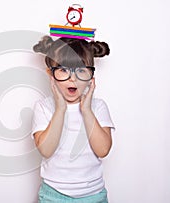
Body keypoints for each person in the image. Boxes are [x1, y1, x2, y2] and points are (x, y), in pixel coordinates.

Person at [32, 36, 115, 202]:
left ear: (91, 76)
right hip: (53, 195)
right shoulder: (44, 108)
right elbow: (46, 150)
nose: (72, 78)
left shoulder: (98, 107)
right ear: (51, 74)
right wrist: (61, 109)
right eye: (63, 70)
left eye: (81, 70)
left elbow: (103, 150)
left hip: (93, 195)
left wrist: (86, 110)